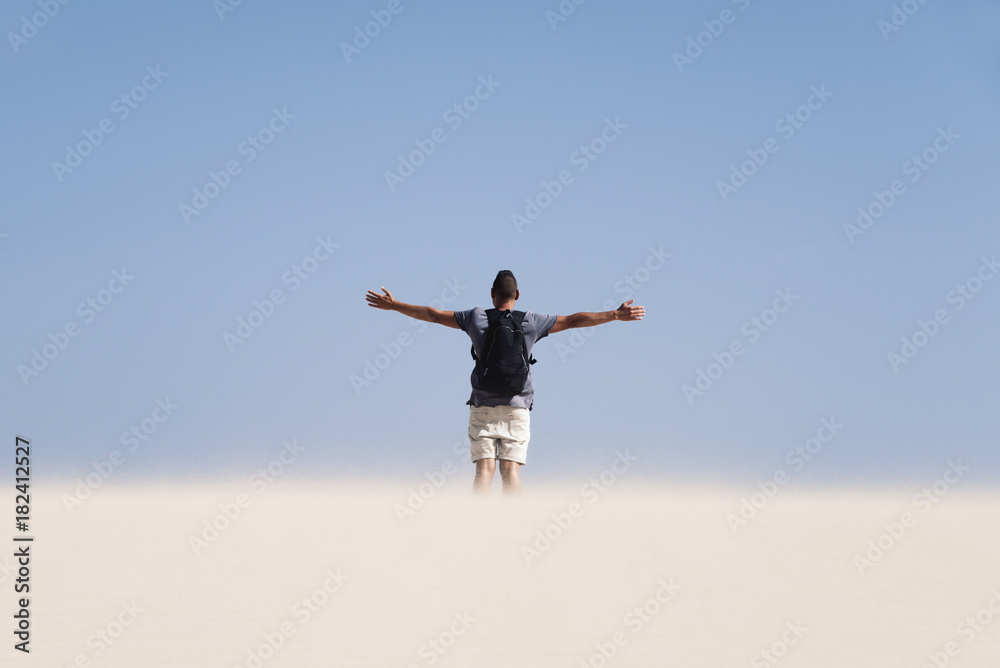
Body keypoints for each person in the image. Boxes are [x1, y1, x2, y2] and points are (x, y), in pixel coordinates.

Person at [365, 270, 645, 495]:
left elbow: (433, 314)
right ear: (517, 295)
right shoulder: (531, 322)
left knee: (484, 470)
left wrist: (395, 306)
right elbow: (573, 321)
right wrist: (614, 314)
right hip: (517, 408)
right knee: (511, 472)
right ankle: (511, 526)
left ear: (492, 294)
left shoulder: (476, 317)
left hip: (482, 407)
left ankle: (479, 527)